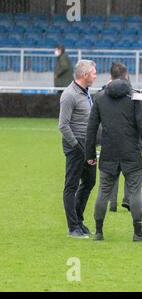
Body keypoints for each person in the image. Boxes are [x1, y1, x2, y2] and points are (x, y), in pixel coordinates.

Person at [85, 72, 142, 242]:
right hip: (131, 153)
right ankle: (138, 233)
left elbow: (91, 128)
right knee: (134, 193)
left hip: (108, 153)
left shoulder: (100, 99)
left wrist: (89, 154)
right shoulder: (136, 99)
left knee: (103, 192)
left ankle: (98, 232)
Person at [97, 63, 142, 213]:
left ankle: (112, 204)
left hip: (109, 141)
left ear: (110, 76)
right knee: (133, 178)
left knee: (110, 175)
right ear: (126, 75)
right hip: (130, 141)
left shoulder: (103, 91)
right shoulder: (132, 92)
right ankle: (128, 202)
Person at [58, 59, 97, 238]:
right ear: (85, 75)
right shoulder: (69, 95)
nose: (96, 75)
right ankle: (72, 227)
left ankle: (79, 220)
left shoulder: (86, 92)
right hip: (75, 145)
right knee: (71, 185)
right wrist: (76, 146)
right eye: (94, 72)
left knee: (89, 181)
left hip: (87, 144)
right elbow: (63, 125)